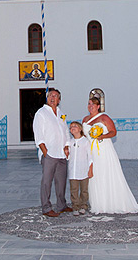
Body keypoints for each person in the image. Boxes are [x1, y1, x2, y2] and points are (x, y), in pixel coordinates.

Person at [83, 97, 138, 214]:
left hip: (103, 150)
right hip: (91, 151)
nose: (90, 106)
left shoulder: (104, 117)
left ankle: (112, 202)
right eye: (89, 104)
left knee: (106, 174)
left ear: (98, 106)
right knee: (94, 175)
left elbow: (113, 132)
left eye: (93, 104)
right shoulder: (85, 119)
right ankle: (99, 203)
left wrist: (102, 136)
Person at [33, 88, 72, 217]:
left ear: (59, 100)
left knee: (61, 182)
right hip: (49, 154)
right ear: (47, 98)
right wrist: (45, 152)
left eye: (55, 96)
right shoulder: (42, 113)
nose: (52, 98)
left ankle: (61, 205)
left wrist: (67, 146)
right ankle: (46, 208)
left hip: (61, 154)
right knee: (46, 182)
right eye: (50, 95)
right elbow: (38, 135)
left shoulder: (61, 114)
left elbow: (66, 131)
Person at [66, 121, 93, 216]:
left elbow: (90, 156)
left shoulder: (85, 142)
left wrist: (90, 169)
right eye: (71, 127)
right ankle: (75, 206)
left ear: (80, 129)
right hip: (73, 170)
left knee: (84, 190)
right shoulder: (70, 142)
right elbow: (68, 155)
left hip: (83, 170)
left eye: (75, 126)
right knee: (74, 190)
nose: (72, 128)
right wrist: (66, 151)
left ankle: (83, 205)